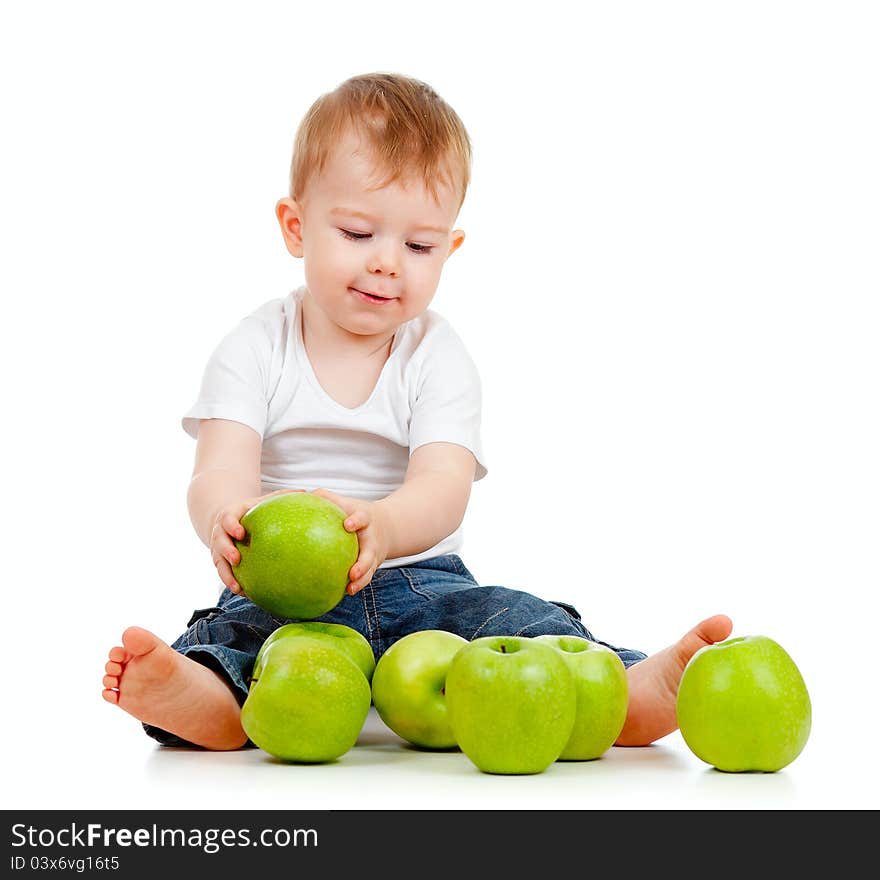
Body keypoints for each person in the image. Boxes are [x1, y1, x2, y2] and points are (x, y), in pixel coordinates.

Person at [101, 72, 732, 751]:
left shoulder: (436, 354)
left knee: (519, 620)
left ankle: (620, 691)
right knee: (232, 638)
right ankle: (212, 704)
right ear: (296, 226)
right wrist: (224, 519)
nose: (386, 264)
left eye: (419, 246)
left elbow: (444, 486)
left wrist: (385, 526)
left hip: (422, 582)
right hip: (282, 594)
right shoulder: (256, 346)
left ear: (449, 250)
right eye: (357, 231)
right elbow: (217, 469)